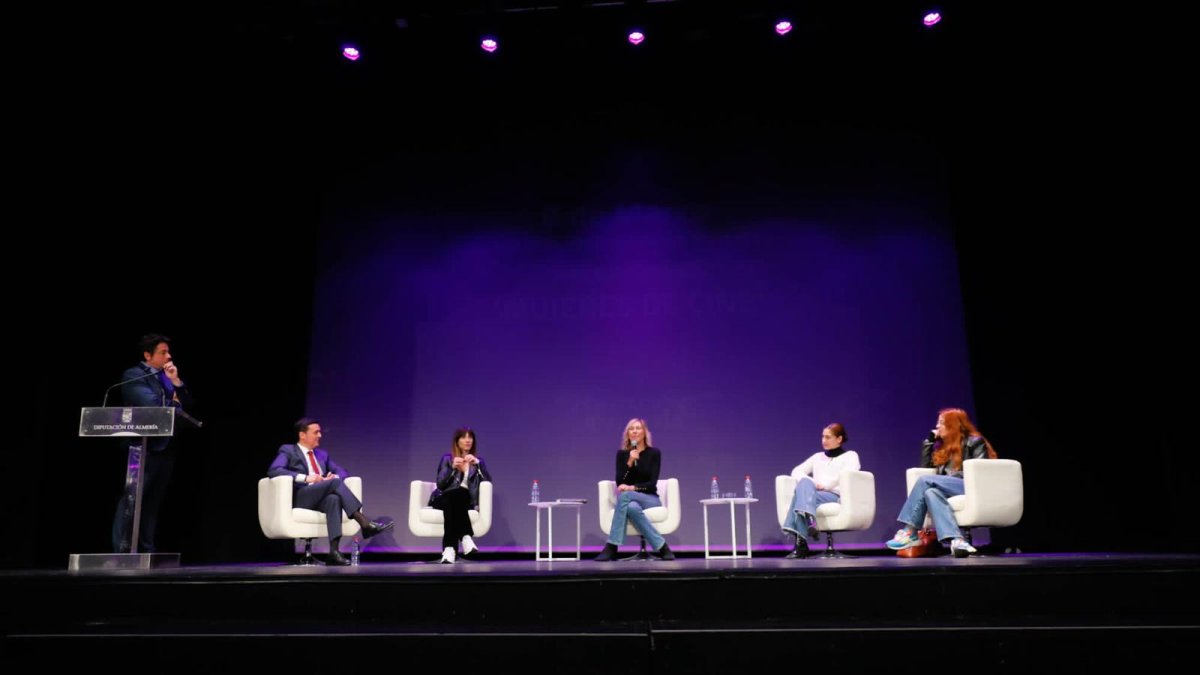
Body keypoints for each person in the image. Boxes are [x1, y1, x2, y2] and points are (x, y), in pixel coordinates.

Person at [111, 333, 199, 553]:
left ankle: (146, 551)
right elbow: (150, 403)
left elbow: (186, 404)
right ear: (147, 355)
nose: (168, 356)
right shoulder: (133, 375)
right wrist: (173, 401)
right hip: (142, 448)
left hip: (165, 447)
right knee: (133, 500)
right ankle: (122, 551)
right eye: (163, 352)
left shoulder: (165, 377)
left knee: (152, 503)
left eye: (168, 351)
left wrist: (176, 382)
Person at [267, 418, 394, 565]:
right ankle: (363, 522)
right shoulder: (288, 450)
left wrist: (335, 475)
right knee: (334, 484)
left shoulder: (322, 455)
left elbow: (342, 471)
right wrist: (307, 478)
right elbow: (274, 470)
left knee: (334, 499)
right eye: (316, 432)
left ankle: (334, 552)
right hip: (301, 496)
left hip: (320, 498)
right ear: (302, 435)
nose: (320, 435)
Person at [885, 408, 999, 558]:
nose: (937, 427)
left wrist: (951, 478)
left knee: (925, 481)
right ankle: (957, 540)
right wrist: (929, 443)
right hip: (949, 489)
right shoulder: (942, 448)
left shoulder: (974, 441)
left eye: (941, 423)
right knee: (930, 492)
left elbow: (980, 470)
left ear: (953, 425)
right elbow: (925, 470)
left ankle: (910, 531)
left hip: (971, 486)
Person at [594, 418, 675, 561]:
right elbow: (620, 482)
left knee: (625, 496)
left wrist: (632, 488)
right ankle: (662, 546)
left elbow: (651, 484)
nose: (635, 431)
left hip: (650, 498)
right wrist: (630, 462)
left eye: (638, 428)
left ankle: (612, 546)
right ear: (628, 434)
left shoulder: (654, 453)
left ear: (644, 432)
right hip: (631, 499)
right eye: (632, 428)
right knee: (631, 507)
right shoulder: (622, 454)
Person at [781, 423, 862, 559]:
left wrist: (826, 485)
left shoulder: (850, 455)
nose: (824, 440)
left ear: (839, 439)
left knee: (798, 497)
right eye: (822, 437)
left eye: (828, 437)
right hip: (815, 494)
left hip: (834, 495)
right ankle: (809, 519)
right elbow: (796, 471)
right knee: (805, 482)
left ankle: (801, 543)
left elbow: (849, 473)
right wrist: (814, 483)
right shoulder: (817, 457)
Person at [428, 427, 492, 564]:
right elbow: (440, 485)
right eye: (463, 437)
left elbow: (487, 483)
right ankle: (466, 537)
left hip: (465, 499)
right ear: (457, 441)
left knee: (459, 495)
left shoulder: (478, 461)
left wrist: (478, 465)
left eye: (470, 437)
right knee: (454, 495)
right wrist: (452, 468)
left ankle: (449, 549)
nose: (467, 440)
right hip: (443, 498)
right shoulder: (447, 459)